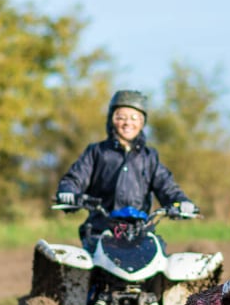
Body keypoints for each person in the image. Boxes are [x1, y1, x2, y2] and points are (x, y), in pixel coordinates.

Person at [56, 90, 197, 251]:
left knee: (162, 269)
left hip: (140, 235)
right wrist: (68, 193)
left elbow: (168, 188)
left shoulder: (150, 158)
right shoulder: (96, 152)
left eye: (134, 118)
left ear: (142, 123)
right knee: (80, 269)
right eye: (121, 117)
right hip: (100, 233)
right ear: (111, 120)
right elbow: (75, 179)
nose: (127, 123)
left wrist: (182, 203)